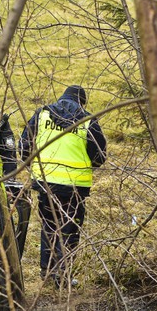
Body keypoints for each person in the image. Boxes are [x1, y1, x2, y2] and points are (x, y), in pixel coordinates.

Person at [19, 85, 106, 286]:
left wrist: (34, 163)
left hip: (46, 183)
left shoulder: (42, 114)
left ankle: (47, 272)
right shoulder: (87, 119)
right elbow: (99, 156)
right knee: (70, 228)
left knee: (49, 225)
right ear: (82, 102)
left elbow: (24, 147)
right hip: (74, 186)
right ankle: (63, 275)